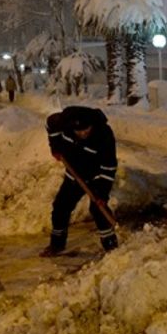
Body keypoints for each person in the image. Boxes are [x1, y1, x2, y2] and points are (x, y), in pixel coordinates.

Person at [41, 106, 118, 256]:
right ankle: (57, 245)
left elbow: (109, 166)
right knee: (60, 207)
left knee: (98, 209)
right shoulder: (63, 122)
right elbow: (51, 125)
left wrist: (102, 193)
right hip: (74, 174)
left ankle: (111, 246)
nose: (83, 133)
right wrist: (55, 147)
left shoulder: (104, 134)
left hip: (96, 177)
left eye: (86, 129)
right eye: (79, 131)